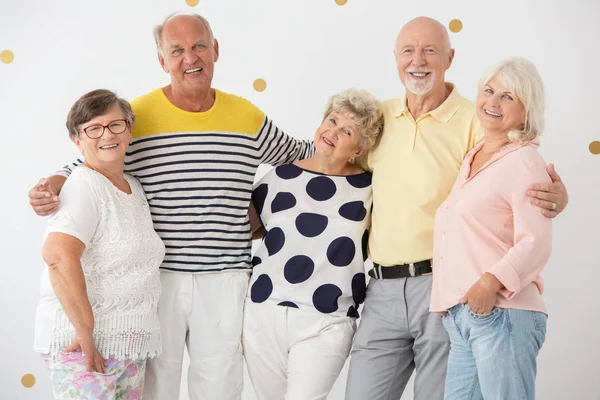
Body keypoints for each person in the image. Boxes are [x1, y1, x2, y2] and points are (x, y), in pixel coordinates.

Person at [28, 13, 312, 400]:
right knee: (155, 385)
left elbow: (299, 157)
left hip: (225, 275)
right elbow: (91, 158)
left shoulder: (247, 116)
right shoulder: (138, 116)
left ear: (215, 50)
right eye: (176, 50)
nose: (189, 57)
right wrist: (52, 186)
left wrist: (354, 149)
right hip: (158, 279)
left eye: (198, 46)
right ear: (162, 61)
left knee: (220, 384)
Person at [344, 17, 568, 400]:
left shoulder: (477, 119)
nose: (418, 60)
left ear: (450, 57)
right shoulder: (378, 118)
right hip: (380, 287)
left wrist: (556, 195)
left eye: (430, 50)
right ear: (395, 57)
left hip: (443, 283)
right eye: (408, 50)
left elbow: (517, 161)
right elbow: (337, 162)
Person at [243, 88, 383, 400]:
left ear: (359, 150)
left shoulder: (370, 189)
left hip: (327, 321)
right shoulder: (278, 177)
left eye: (347, 131)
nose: (332, 132)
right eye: (331, 121)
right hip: (264, 312)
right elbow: (249, 229)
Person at [430, 57, 552, 400]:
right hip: (464, 315)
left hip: (503, 313)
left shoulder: (525, 161)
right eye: (488, 91)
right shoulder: (474, 157)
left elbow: (536, 241)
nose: (493, 102)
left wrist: (488, 283)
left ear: (528, 109)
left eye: (508, 96)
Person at [34, 89, 164, 399]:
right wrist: (85, 331)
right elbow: (58, 256)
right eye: (93, 128)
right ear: (78, 141)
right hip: (83, 345)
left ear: (129, 132)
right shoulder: (83, 186)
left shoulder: (132, 187)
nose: (106, 134)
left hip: (128, 346)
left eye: (115, 124)